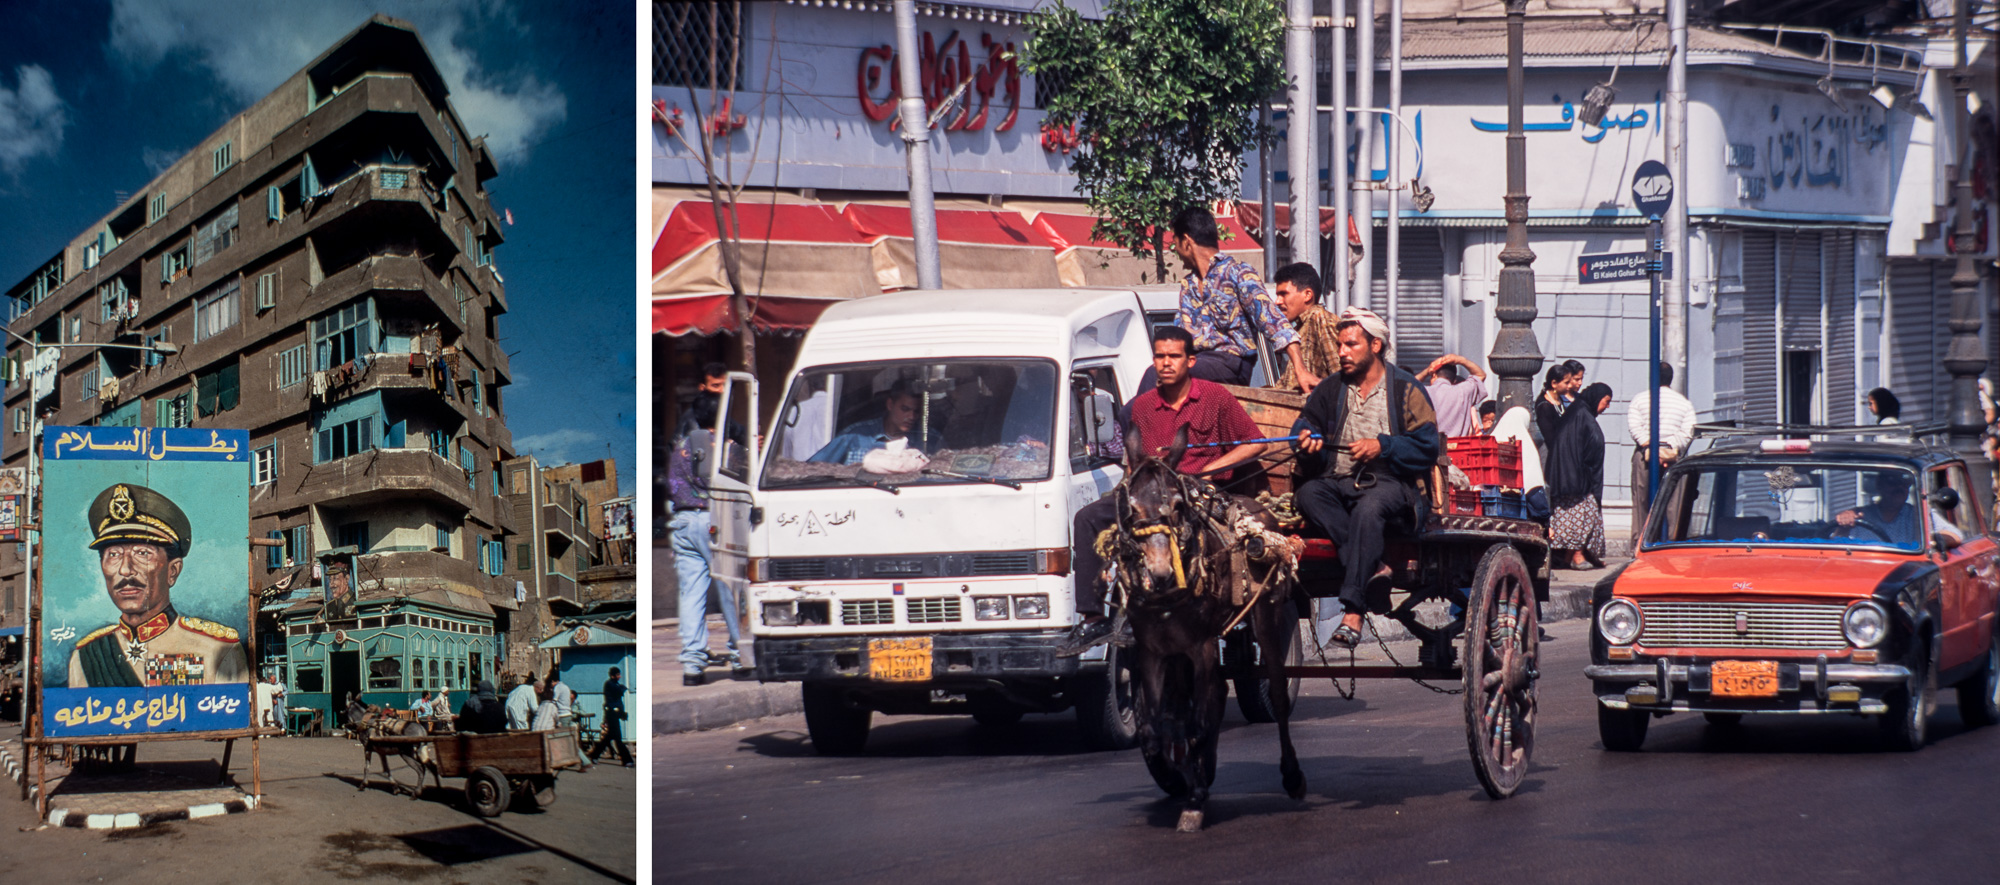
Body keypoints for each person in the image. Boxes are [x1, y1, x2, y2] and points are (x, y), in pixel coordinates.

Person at [1056, 326, 1269, 655]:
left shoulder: (1215, 398)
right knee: (1087, 518)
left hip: (1200, 490)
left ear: (1191, 360)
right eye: (1160, 356)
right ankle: (1095, 617)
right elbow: (1132, 460)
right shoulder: (1140, 407)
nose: (1166, 363)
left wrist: (1211, 468)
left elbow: (1254, 444)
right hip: (1149, 491)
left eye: (1174, 356)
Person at [1291, 307, 1441, 648]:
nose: (1342, 352)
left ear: (1375, 345)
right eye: (1340, 344)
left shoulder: (1406, 388)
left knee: (1368, 509)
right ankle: (1374, 568)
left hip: (1392, 486)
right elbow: (1305, 422)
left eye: (1351, 344)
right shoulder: (1331, 387)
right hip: (1338, 482)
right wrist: (1305, 436)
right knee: (1309, 495)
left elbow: (1427, 446)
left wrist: (1383, 446)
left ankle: (1354, 611)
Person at [66, 483, 251, 688]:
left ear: (172, 571)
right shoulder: (86, 658)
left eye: (143, 553)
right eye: (114, 555)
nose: (125, 570)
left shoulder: (218, 649)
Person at [1155, 205, 1316, 391]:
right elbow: (1179, 335)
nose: (1178, 254)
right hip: (1196, 363)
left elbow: (1274, 321)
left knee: (1167, 373)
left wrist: (1300, 369)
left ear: (1186, 242)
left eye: (1176, 245)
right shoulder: (1188, 286)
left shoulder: (1238, 273)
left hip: (1231, 363)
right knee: (1151, 382)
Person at [669, 390, 742, 687]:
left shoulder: (680, 447)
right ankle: (740, 656)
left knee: (691, 594)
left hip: (684, 521)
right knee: (730, 589)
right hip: (716, 519)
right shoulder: (726, 447)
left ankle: (693, 664)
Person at [1627, 362, 1697, 546]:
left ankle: (1641, 542)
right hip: (1672, 456)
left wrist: (1650, 446)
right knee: (1674, 504)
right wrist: (1668, 447)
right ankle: (1671, 542)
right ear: (1671, 378)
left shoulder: (1640, 399)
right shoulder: (1683, 403)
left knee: (1641, 502)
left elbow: (1635, 427)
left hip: (1645, 454)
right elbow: (1688, 431)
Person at [1547, 382, 1614, 570]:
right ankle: (1577, 555)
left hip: (1576, 478)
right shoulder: (1580, 414)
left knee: (1587, 517)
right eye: (1606, 401)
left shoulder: (1579, 412)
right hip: (1576, 482)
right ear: (1597, 398)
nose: (1607, 406)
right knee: (1583, 517)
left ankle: (1572, 557)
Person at [809, 380, 946, 465]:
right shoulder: (854, 437)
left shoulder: (930, 439)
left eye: (916, 411)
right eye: (905, 409)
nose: (911, 416)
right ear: (890, 405)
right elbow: (814, 470)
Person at [1271, 262, 1339, 392]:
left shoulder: (1320, 318)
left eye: (1283, 294)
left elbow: (1341, 378)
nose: (1278, 301)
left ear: (1307, 295)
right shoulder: (1300, 328)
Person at [1416, 354, 1489, 437]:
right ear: (1454, 380)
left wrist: (1427, 371)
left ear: (1434, 375)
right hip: (1458, 447)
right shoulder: (1463, 391)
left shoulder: (1425, 392)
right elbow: (1481, 375)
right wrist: (1461, 360)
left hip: (1431, 447)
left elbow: (1407, 384)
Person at [588, 667, 634, 766]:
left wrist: (622, 713)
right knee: (618, 738)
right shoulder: (609, 684)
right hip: (612, 714)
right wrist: (622, 688)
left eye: (619, 674)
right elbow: (620, 691)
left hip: (615, 713)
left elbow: (620, 691)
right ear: (612, 676)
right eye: (617, 675)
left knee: (608, 738)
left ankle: (594, 756)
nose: (619, 676)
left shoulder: (615, 684)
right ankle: (627, 760)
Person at [1534, 364, 1573, 445]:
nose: (1569, 386)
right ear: (1554, 383)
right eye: (1566, 383)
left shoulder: (1559, 399)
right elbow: (1549, 438)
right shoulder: (1544, 406)